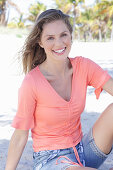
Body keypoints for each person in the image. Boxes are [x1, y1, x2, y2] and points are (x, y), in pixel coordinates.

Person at [5, 9, 113, 170]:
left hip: (82, 151)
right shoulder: (32, 83)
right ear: (40, 42)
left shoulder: (83, 66)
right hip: (50, 160)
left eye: (63, 35)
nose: (59, 43)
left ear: (70, 35)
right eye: (50, 38)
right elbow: (20, 135)